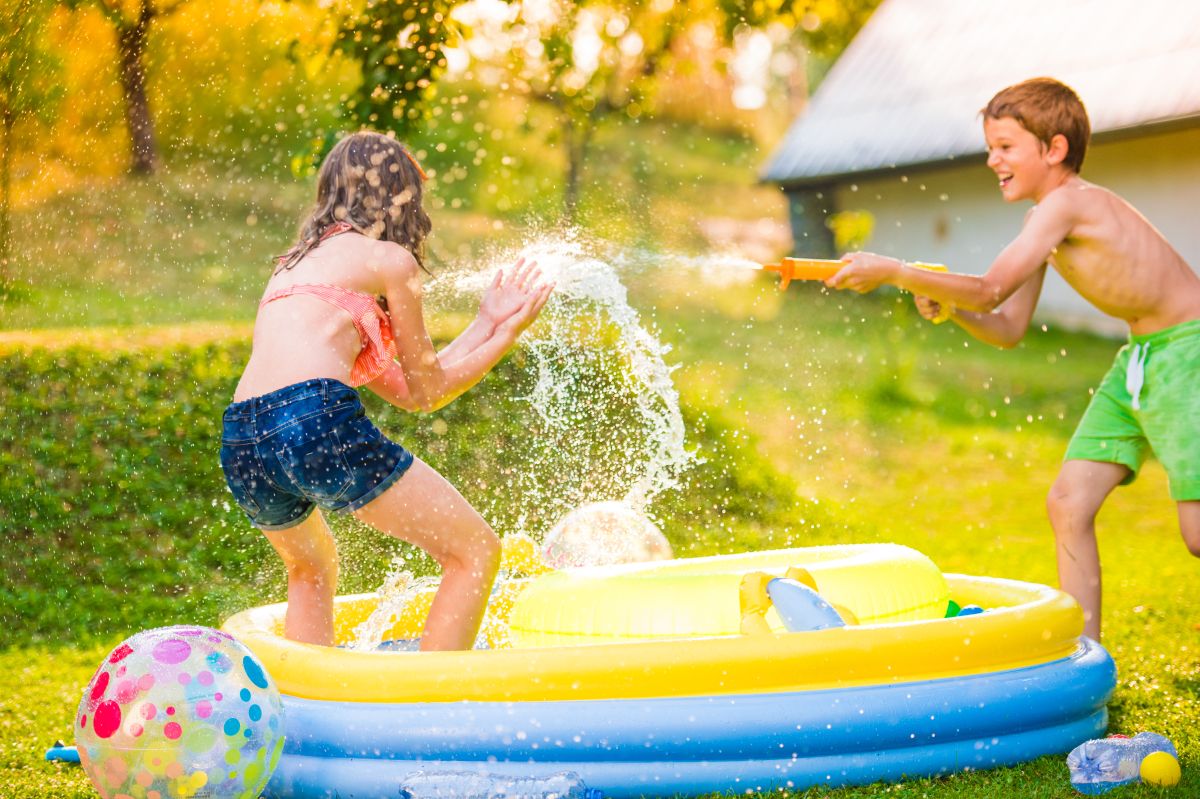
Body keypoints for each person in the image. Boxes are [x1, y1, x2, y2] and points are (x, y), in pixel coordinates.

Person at [825, 77, 1200, 640]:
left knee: (1196, 535)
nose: (991, 159)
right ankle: (1084, 659)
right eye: (989, 146)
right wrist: (951, 311)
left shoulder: (1068, 203)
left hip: (1188, 352)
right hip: (1141, 361)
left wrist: (896, 270)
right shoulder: (1043, 221)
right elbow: (1006, 326)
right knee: (1068, 503)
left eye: (1005, 147)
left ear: (1054, 150)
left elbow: (989, 288)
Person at [219, 131, 553, 651]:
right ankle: (427, 713)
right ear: (400, 198)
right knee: (476, 552)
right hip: (314, 419)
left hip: (243, 439)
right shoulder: (389, 261)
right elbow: (428, 394)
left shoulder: (292, 266)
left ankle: (310, 714)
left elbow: (407, 383)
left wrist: (485, 322)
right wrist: (505, 335)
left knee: (311, 570)